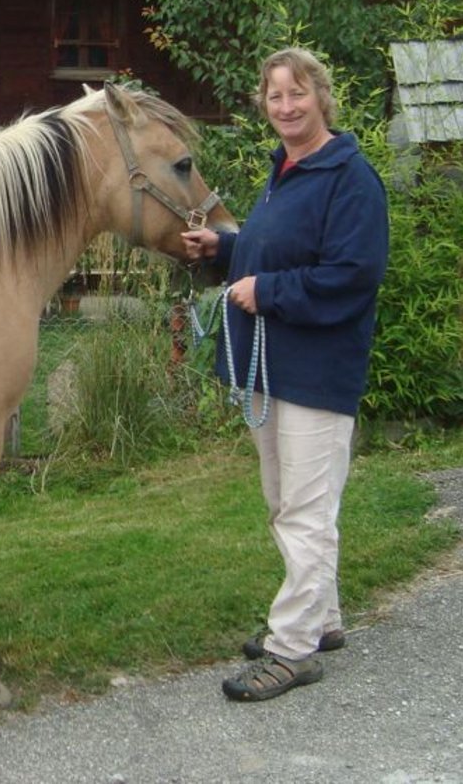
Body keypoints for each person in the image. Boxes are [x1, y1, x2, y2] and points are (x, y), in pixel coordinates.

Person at [182, 47, 388, 703]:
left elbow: (351, 276)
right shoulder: (288, 170)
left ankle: (292, 648)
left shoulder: (350, 177)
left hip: (317, 376)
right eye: (274, 96)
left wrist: (266, 289)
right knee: (287, 503)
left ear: (321, 97)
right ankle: (320, 620)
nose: (286, 107)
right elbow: (277, 249)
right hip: (272, 371)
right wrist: (228, 248)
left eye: (297, 94)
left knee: (305, 512)